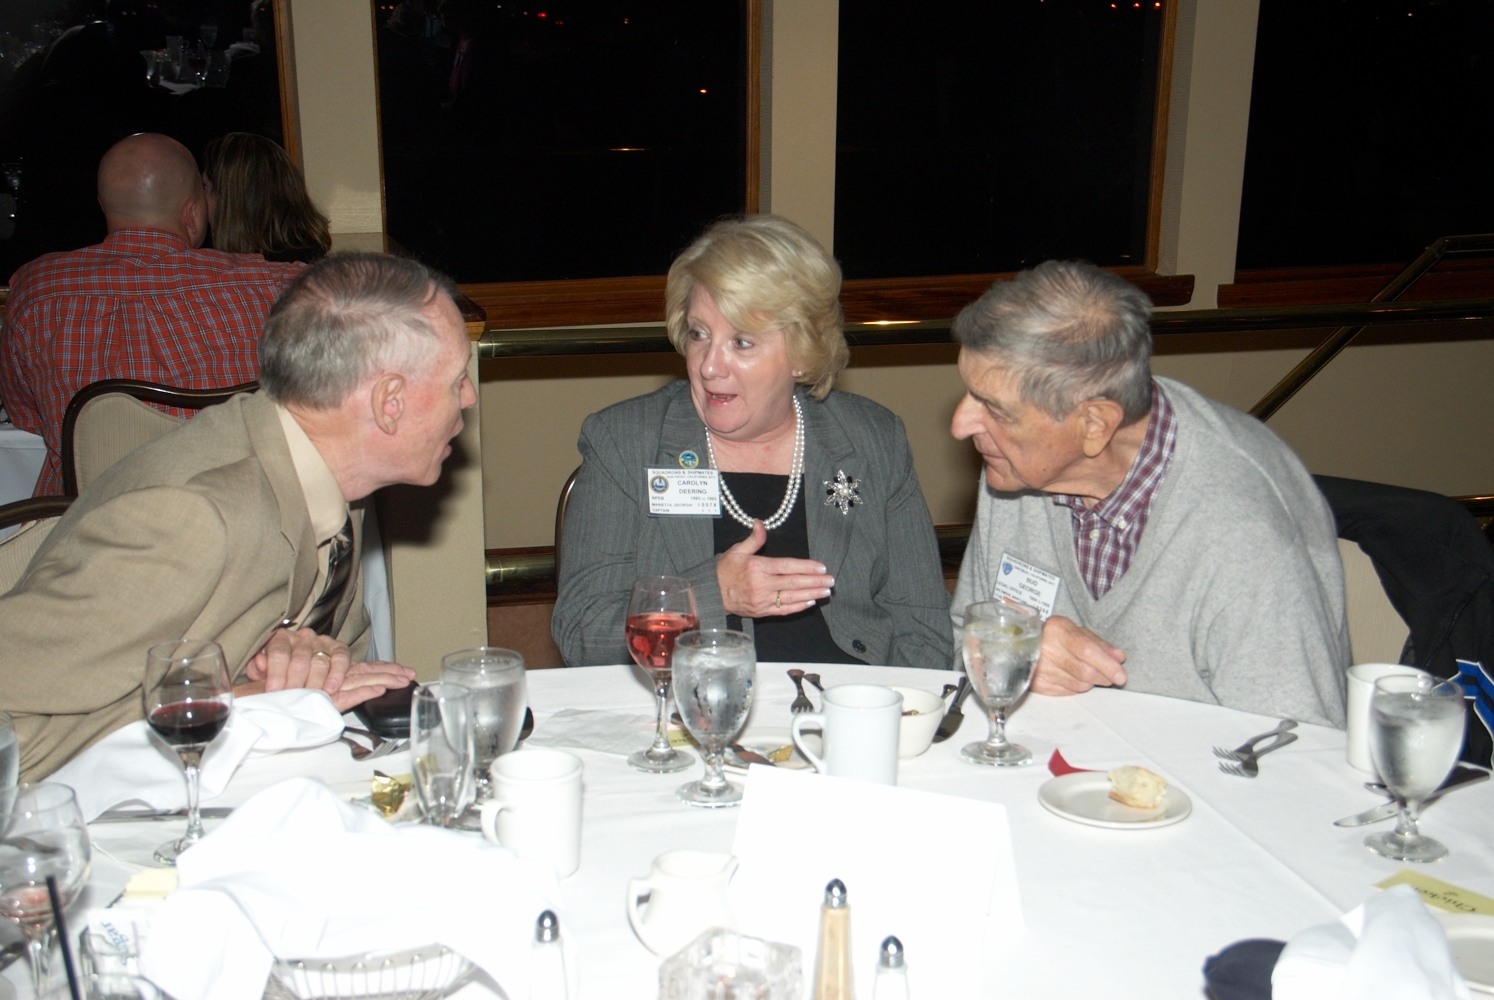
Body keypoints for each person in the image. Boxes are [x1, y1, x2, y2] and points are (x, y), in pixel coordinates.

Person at [0, 253, 477, 780]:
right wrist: (231, 702)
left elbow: (334, 664)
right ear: (390, 402)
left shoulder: (333, 479)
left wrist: (285, 653)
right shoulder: (189, 521)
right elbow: (14, 728)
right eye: (457, 380)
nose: (470, 398)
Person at [948, 260, 1350, 727]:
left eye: (994, 409)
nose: (961, 424)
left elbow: (1296, 755)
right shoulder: (1016, 466)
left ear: (1094, 425)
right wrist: (1012, 657)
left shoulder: (1243, 537)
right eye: (970, 393)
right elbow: (963, 644)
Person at [553, 215, 952, 668]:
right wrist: (712, 594)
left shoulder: (873, 441)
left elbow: (923, 629)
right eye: (699, 334)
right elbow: (581, 632)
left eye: (741, 343)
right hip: (688, 715)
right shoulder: (626, 442)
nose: (708, 366)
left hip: (844, 716)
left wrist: (888, 723)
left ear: (801, 354)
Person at [0, 132, 304, 496]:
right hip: (237, 523)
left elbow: (27, 419)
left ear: (103, 205)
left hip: (90, 531)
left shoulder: (36, 289)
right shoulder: (270, 284)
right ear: (192, 213)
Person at [201, 132, 332, 264]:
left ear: (230, 201)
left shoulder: (245, 275)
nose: (201, 197)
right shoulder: (315, 266)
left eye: (205, 186)